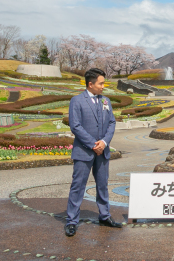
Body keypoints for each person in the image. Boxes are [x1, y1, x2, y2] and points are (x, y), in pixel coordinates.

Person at [64, 68, 122, 237]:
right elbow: (75, 126)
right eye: (101, 83)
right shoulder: (77, 101)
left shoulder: (106, 101)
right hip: (84, 151)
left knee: (103, 185)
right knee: (78, 186)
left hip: (102, 151)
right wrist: (93, 144)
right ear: (91, 84)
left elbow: (112, 123)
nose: (103, 86)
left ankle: (104, 216)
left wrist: (103, 143)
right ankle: (72, 221)